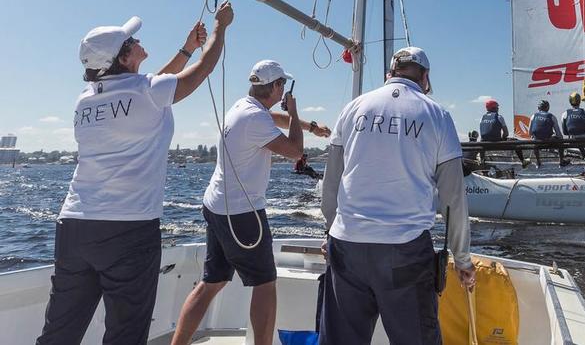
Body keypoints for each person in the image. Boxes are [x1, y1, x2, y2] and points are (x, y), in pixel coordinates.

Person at [36, 3, 233, 345]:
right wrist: (221, 28)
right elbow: (201, 71)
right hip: (128, 229)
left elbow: (152, 85)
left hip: (74, 226)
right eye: (133, 40)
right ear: (125, 58)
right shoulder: (146, 92)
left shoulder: (85, 100)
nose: (139, 40)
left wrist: (186, 48)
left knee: (59, 332)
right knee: (125, 334)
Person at [320, 46, 475, 344]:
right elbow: (452, 199)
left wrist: (330, 230)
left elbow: (331, 184)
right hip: (404, 250)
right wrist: (463, 258)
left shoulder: (353, 109)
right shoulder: (438, 116)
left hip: (347, 246)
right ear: (425, 78)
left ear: (389, 73)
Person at [170, 60, 329, 345]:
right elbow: (295, 152)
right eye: (283, 86)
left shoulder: (244, 108)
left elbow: (273, 121)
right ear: (277, 86)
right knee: (265, 283)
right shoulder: (256, 119)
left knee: (213, 281)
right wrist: (294, 113)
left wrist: (310, 126)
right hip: (241, 214)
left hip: (217, 205)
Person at [478, 99, 525, 166]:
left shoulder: (482, 118)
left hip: (484, 144)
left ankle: (481, 159)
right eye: (497, 107)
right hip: (497, 142)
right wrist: (503, 139)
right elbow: (506, 133)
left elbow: (483, 132)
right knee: (516, 142)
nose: (498, 108)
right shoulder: (499, 117)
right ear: (494, 107)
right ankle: (523, 161)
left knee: (481, 141)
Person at [528, 99, 567, 167]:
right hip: (548, 140)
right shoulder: (551, 116)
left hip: (537, 142)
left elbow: (529, 132)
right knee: (560, 141)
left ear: (538, 108)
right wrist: (558, 137)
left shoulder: (533, 116)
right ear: (548, 107)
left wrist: (533, 136)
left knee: (535, 141)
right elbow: (559, 134)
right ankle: (561, 162)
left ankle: (538, 162)